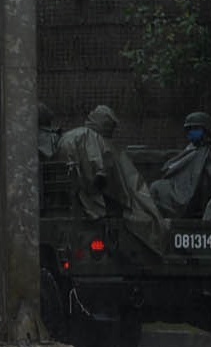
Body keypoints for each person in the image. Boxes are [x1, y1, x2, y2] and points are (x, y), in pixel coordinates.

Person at [56, 103, 170, 254]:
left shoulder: (70, 136)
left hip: (67, 196)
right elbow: (102, 174)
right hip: (89, 198)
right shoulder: (95, 140)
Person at [152, 112, 211, 219]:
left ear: (206, 130)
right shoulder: (190, 150)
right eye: (189, 129)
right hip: (184, 190)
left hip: (194, 198)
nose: (191, 132)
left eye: (195, 129)